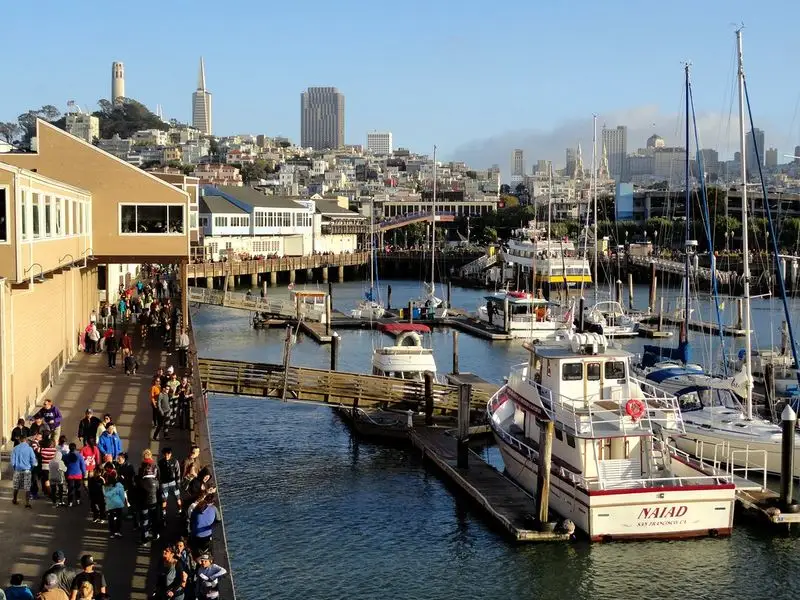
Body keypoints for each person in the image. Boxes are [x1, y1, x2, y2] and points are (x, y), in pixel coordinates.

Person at [138, 449, 160, 544]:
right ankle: (155, 534)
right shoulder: (156, 466)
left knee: (144, 520)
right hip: (154, 498)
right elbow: (159, 479)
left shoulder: (141, 469)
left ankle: (145, 538)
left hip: (143, 500)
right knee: (154, 517)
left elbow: (138, 485)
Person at [11, 434, 37, 508]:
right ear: (26, 440)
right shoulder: (29, 449)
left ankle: (14, 499)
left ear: (19, 440)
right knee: (27, 487)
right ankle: (27, 503)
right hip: (27, 470)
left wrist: (15, 468)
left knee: (16, 486)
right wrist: (31, 468)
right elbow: (33, 461)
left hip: (17, 469)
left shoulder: (15, 448)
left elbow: (12, 462)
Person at [157, 448, 182, 522]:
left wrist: (178, 482)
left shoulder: (175, 461)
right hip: (164, 483)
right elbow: (158, 473)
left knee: (178, 498)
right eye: (165, 454)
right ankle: (163, 513)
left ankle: (180, 511)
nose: (166, 455)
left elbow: (178, 472)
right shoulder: (160, 462)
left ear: (170, 454)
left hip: (173, 483)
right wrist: (159, 483)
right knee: (164, 499)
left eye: (168, 454)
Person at [102, 475, 125, 539]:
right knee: (119, 518)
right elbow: (122, 496)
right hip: (118, 504)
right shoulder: (119, 486)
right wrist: (122, 502)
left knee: (111, 519)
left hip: (110, 505)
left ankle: (112, 533)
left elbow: (105, 496)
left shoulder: (104, 487)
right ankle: (118, 531)